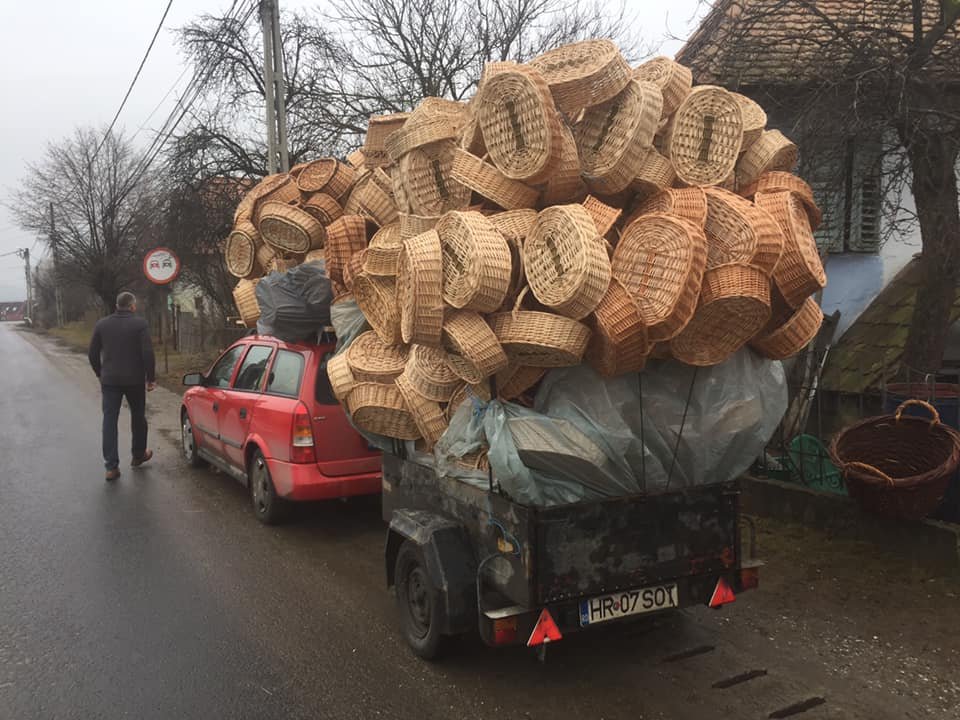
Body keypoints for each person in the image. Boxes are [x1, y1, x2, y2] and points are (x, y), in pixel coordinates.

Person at [88, 292, 157, 481]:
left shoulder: (102, 324)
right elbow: (147, 352)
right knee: (138, 416)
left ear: (117, 306)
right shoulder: (140, 324)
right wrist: (150, 378)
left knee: (109, 420)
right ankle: (138, 454)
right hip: (134, 380)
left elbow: (92, 353)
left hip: (110, 380)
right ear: (132, 306)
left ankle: (111, 467)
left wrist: (99, 373)